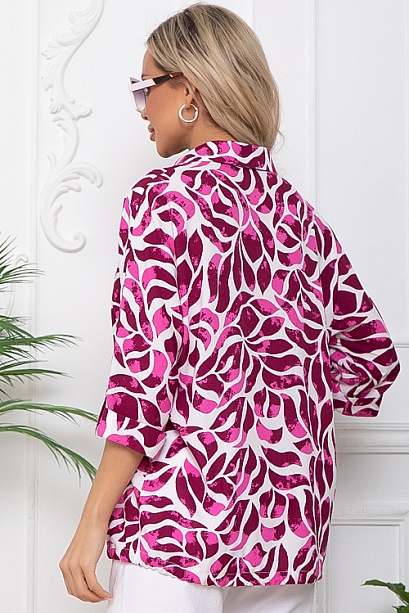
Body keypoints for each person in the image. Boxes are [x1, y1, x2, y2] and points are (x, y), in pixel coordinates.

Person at [59, 4, 400, 612]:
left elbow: (144, 378)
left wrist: (91, 523)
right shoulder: (298, 216)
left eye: (145, 87)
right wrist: (283, 408)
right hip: (287, 526)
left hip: (180, 520)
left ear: (189, 89)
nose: (140, 107)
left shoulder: (162, 200)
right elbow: (373, 358)